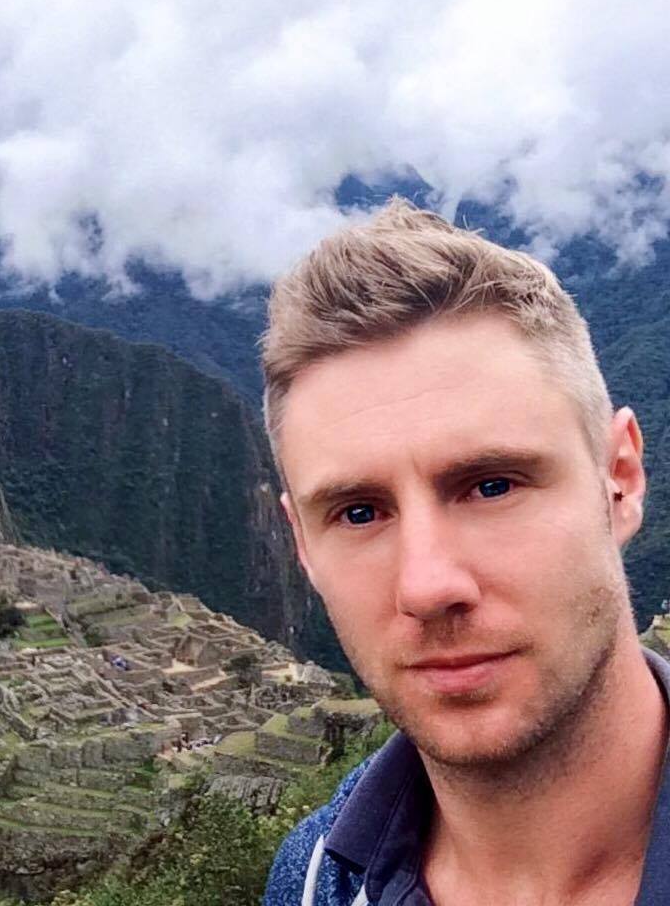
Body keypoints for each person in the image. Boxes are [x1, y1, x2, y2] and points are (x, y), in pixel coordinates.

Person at [261, 200, 670, 905]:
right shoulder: (316, 878)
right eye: (358, 513)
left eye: (490, 486)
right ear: (302, 542)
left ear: (620, 481)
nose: (427, 585)